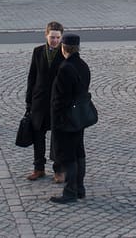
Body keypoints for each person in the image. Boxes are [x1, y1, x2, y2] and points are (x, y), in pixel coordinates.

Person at [49, 32, 90, 205]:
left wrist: (56, 117)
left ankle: (70, 191)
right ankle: (80, 188)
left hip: (66, 118)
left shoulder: (65, 68)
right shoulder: (83, 65)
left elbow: (60, 99)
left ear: (64, 48)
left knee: (69, 155)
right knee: (79, 152)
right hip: (79, 116)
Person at [24, 21, 66, 183]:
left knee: (58, 137)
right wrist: (29, 101)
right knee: (38, 136)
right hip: (39, 102)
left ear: (61, 37)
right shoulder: (37, 51)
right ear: (46, 35)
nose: (54, 40)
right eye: (52, 37)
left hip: (58, 103)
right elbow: (32, 77)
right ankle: (38, 168)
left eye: (57, 37)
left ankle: (59, 169)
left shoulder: (65, 52)